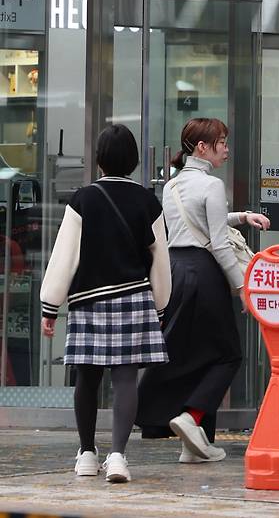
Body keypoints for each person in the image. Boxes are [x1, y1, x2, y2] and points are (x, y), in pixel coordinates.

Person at [40, 124, 171, 483]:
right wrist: (160, 306)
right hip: (133, 298)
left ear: (98, 160)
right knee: (126, 378)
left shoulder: (83, 199)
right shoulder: (148, 201)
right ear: (134, 160)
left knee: (87, 376)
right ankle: (118, 457)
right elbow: (160, 258)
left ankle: (86, 453)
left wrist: (50, 305)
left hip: (88, 301)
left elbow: (64, 255)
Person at [136, 117, 269, 464]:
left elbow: (195, 222)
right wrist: (243, 288)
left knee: (194, 355)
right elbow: (219, 244)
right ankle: (192, 419)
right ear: (202, 148)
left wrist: (242, 216)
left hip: (176, 272)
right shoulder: (211, 185)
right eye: (221, 142)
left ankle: (195, 446)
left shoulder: (171, 186)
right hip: (205, 272)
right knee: (228, 353)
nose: (226, 148)